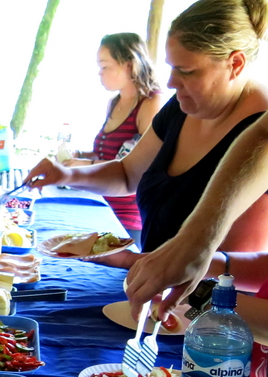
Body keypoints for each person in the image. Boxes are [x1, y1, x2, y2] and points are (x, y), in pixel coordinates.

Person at [27, 0, 268, 257]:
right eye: (171, 67)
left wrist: (135, 262)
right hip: (152, 284)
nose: (171, 82)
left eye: (186, 71)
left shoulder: (260, 131)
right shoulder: (180, 107)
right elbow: (127, 175)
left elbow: (236, 269)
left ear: (236, 64)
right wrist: (65, 175)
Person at [62, 33, 163, 239]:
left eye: (105, 66)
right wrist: (79, 154)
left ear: (129, 65)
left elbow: (136, 166)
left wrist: (82, 164)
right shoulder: (114, 103)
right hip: (100, 206)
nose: (100, 73)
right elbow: (106, 153)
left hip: (128, 218)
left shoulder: (151, 104)